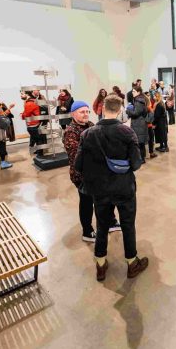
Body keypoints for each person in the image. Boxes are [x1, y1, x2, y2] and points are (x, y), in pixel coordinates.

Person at [75, 94, 148, 281]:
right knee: (127, 225)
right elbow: (136, 163)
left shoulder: (87, 134)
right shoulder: (127, 133)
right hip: (124, 188)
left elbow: (78, 164)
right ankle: (132, 262)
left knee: (102, 226)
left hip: (100, 191)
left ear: (102, 109)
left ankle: (100, 264)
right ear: (120, 110)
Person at [64, 101, 121, 243]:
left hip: (98, 172)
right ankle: (87, 231)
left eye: (87, 111)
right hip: (82, 176)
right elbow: (78, 155)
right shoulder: (70, 131)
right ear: (73, 114)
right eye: (82, 112)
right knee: (86, 203)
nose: (85, 114)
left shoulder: (91, 125)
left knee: (106, 198)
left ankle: (110, 222)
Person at [126, 86, 148, 161]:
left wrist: (127, 111)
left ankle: (141, 159)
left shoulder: (138, 101)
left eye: (134, 91)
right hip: (139, 123)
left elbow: (136, 113)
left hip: (138, 124)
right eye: (132, 91)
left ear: (138, 92)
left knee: (139, 142)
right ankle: (142, 158)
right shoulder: (139, 100)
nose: (132, 93)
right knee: (140, 142)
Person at [21, 91, 46, 158]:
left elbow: (26, 114)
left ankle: (40, 154)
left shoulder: (29, 103)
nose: (21, 95)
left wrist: (22, 115)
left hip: (33, 123)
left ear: (27, 94)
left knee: (38, 139)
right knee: (37, 138)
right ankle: (39, 152)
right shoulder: (30, 102)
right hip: (35, 123)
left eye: (22, 93)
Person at [144, 93, 157, 159]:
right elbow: (149, 119)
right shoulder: (148, 107)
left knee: (149, 140)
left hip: (147, 126)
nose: (149, 96)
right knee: (150, 140)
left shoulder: (145, 106)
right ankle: (151, 153)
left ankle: (148, 153)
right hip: (148, 126)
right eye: (148, 96)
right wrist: (152, 111)